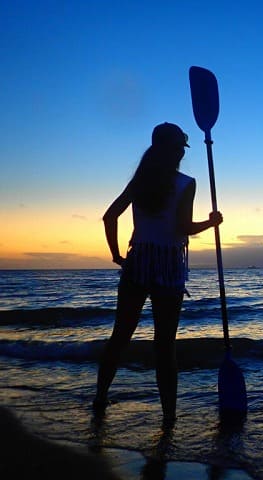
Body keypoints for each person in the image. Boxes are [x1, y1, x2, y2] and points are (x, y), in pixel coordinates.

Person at [94, 122, 222, 426]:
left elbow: (110, 217)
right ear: (174, 149)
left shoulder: (140, 181)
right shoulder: (186, 183)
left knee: (120, 337)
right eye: (179, 147)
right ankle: (169, 417)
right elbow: (183, 229)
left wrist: (117, 256)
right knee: (165, 345)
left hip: (137, 262)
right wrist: (212, 222)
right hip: (168, 266)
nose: (181, 152)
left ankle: (100, 397)